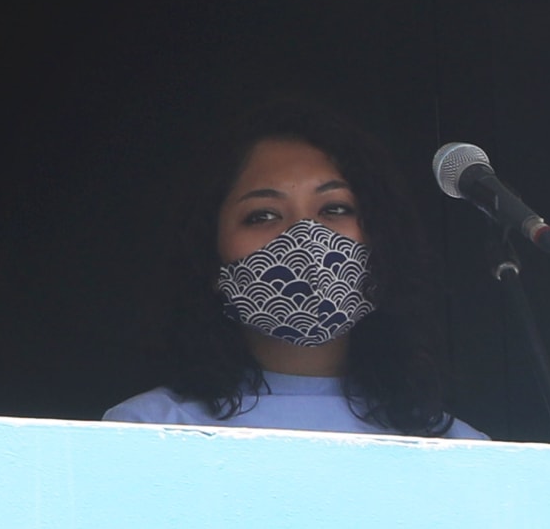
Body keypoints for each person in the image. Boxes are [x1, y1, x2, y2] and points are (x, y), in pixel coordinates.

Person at [103, 101, 487, 440]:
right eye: (263, 215)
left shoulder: (458, 452)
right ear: (209, 253)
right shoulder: (149, 433)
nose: (305, 237)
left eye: (334, 209)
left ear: (381, 241)